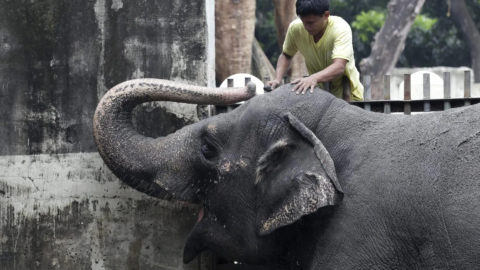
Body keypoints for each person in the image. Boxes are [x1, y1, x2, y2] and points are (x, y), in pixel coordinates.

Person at [266, 0, 364, 101]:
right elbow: (286, 55)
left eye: (311, 22)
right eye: (303, 21)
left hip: (348, 98)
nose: (307, 27)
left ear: (326, 15)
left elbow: (339, 67)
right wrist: (278, 79)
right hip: (319, 99)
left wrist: (313, 78)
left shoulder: (340, 28)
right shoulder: (295, 28)